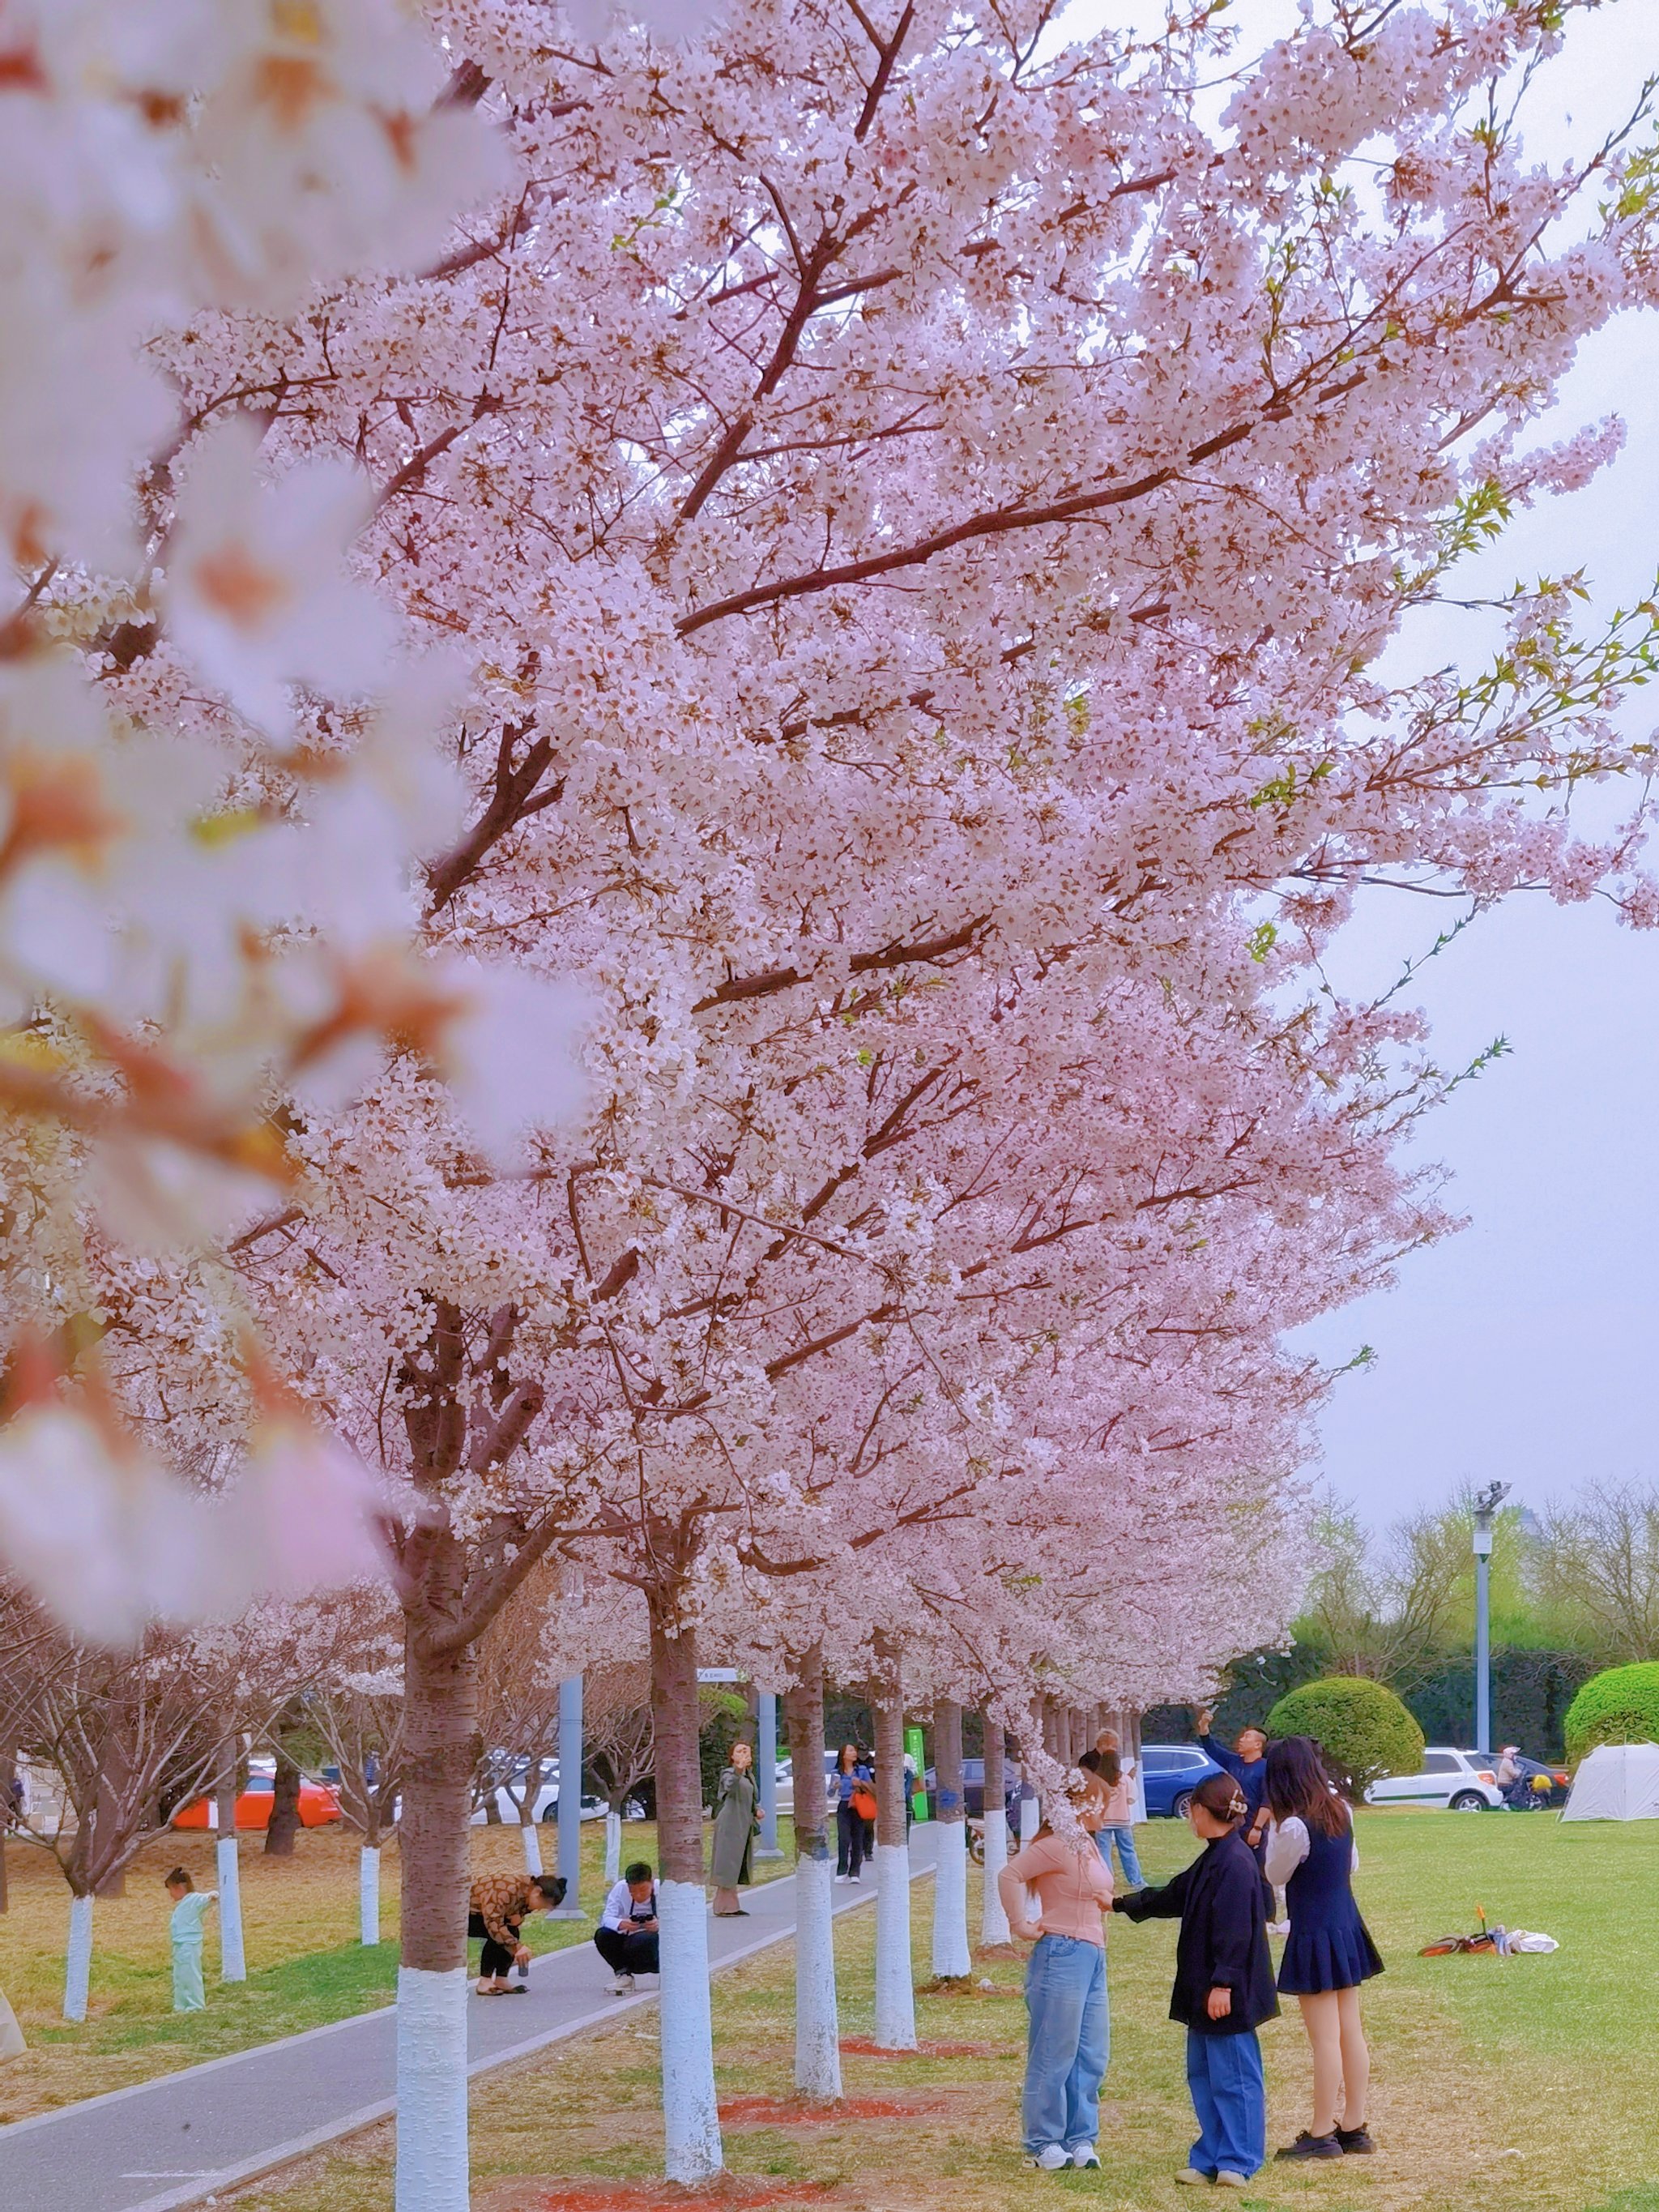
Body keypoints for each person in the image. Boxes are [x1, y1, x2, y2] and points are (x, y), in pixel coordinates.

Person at [1112, 1772, 1277, 2189]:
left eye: (1193, 1811)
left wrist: (1224, 1983)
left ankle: (1239, 2160)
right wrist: (1121, 1903)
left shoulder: (1236, 1862)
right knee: (1204, 2075)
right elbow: (1176, 1895)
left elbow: (1236, 1930)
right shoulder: (1215, 1856)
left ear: (1204, 1811)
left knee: (1235, 2077)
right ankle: (1210, 2157)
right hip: (1202, 1987)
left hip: (1225, 1991)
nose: (1190, 1819)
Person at [1262, 1736, 1383, 2160]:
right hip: (1345, 1925)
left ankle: (1320, 2132)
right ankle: (1353, 2125)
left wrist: (1272, 1830)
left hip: (1314, 1932)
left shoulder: (1294, 1825)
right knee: (1351, 2031)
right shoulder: (1342, 1811)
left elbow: (1275, 1873)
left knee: (1325, 2040)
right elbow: (1351, 1864)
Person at [996, 1769, 1115, 2172]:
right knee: (1054, 2050)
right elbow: (1010, 1874)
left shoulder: (1090, 1844)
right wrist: (1020, 1924)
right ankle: (1043, 2141)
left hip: (1093, 1954)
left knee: (1091, 2052)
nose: (1109, 1808)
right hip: (1061, 1953)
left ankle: (1081, 2138)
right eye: (1103, 1800)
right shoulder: (1057, 1844)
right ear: (1084, 1804)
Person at [1196, 1709, 1279, 1929]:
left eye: (1247, 1737)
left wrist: (1258, 1828)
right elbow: (1211, 1747)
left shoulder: (1266, 1768)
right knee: (1228, 1870)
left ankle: (1268, 1918)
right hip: (1231, 1827)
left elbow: (1267, 1801)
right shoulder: (1234, 1763)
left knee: (1259, 1872)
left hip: (1253, 1828)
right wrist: (1204, 1727)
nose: (1241, 1740)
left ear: (1258, 1745)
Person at [468, 1869, 565, 1994]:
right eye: (543, 1905)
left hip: (484, 1916)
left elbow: (515, 1915)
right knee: (499, 1936)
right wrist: (517, 1947)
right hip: (463, 1916)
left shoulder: (525, 1890)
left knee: (511, 1932)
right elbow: (494, 1925)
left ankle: (501, 1978)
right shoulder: (506, 1891)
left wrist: (518, 1919)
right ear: (537, 1892)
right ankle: (485, 1981)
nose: (540, 1909)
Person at [1078, 1729, 1143, 1888]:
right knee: (1127, 1850)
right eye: (1113, 1746)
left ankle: (1107, 1881)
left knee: (1103, 1852)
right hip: (1120, 1819)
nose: (1115, 1749)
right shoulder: (1089, 1761)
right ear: (1103, 1744)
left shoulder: (1098, 1777)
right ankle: (1136, 1880)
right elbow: (1131, 1797)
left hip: (1102, 1818)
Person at [595, 1860, 659, 1994]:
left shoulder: (663, 1889)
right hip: (629, 1938)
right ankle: (624, 1975)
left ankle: (667, 1973)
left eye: (643, 1890)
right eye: (632, 1892)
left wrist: (660, 1924)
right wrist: (621, 1924)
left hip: (654, 1943)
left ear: (652, 1883)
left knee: (643, 1940)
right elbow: (607, 1918)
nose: (638, 1896)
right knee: (603, 1935)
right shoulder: (620, 1888)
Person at [710, 1739, 759, 1915]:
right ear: (732, 1756)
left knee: (737, 1863)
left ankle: (731, 1905)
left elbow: (750, 1798)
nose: (744, 1754)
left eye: (746, 1751)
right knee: (727, 1863)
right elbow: (730, 1786)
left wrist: (756, 1810)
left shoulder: (749, 1776)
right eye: (739, 1751)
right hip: (730, 1824)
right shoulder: (729, 1773)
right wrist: (738, 1768)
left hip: (743, 1824)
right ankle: (722, 1906)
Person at [164, 1867, 217, 2013]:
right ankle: (181, 2004)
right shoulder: (183, 1904)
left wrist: (212, 1896)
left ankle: (196, 2005)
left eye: (171, 1890)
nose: (171, 1894)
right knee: (180, 1976)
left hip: (190, 1944)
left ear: (180, 1887)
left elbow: (209, 1897)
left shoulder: (195, 1900)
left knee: (191, 1975)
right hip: (180, 1944)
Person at [831, 1742, 873, 1883]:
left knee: (858, 1839)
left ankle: (855, 1872)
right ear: (843, 1755)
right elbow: (830, 1793)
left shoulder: (862, 1770)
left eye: (854, 1751)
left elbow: (872, 1789)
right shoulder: (837, 1773)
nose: (854, 1753)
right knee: (843, 1838)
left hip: (859, 1805)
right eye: (850, 1751)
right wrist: (834, 1787)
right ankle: (842, 1870)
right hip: (844, 1806)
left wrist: (860, 1783)